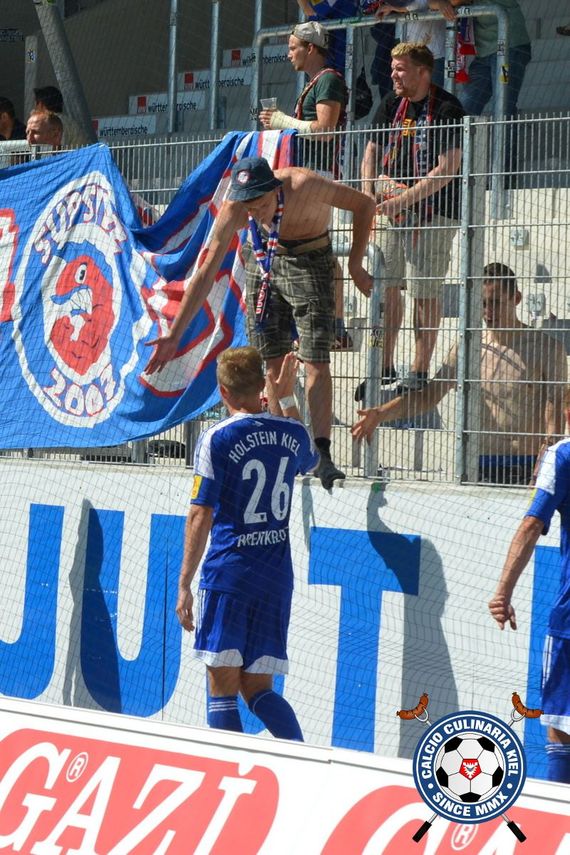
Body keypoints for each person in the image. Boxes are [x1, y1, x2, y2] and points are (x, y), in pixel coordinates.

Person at [145, 155, 375, 489]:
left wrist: (355, 263)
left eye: (262, 204)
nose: (256, 213)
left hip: (310, 258)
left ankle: (323, 454)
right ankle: (281, 446)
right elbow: (206, 272)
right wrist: (174, 334)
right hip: (264, 259)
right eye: (249, 208)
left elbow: (364, 204)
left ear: (275, 189)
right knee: (270, 363)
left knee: (314, 361)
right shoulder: (236, 210)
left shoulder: (303, 184)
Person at [176, 347, 319, 740]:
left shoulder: (216, 438)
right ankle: (301, 761)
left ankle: (228, 774)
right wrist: (286, 397)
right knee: (257, 688)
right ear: (262, 386)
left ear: (222, 392)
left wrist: (185, 583)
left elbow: (199, 515)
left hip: (230, 575)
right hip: (275, 579)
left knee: (222, 685)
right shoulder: (290, 432)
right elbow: (309, 461)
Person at [352, 263, 568, 485]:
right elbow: (428, 397)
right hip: (478, 465)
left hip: (528, 464)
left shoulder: (546, 349)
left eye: (495, 303)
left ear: (516, 298)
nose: (489, 312)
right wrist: (381, 413)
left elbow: (554, 420)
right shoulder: (468, 348)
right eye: (483, 304)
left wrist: (545, 469)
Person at [361, 42, 464, 392]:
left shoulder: (448, 107)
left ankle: (419, 372)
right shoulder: (390, 103)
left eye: (401, 68)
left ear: (423, 72)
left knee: (424, 292)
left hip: (434, 212)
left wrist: (403, 198)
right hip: (390, 210)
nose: (393, 75)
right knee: (384, 289)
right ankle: (383, 366)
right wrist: (368, 192)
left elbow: (448, 168)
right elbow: (371, 150)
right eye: (392, 67)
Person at [259, 20, 351, 348]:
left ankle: (335, 324)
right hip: (308, 175)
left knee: (319, 248)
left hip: (318, 176)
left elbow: (326, 128)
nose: (288, 55)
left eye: (293, 48)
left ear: (311, 49)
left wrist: (282, 121)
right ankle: (330, 324)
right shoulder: (316, 82)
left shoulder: (328, 81)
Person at [488, 433, 570, 783]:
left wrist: (502, 593)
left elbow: (532, 523)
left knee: (562, 728)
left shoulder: (563, 454)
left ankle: (557, 829)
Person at [429, 0, 531, 119]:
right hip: (484, 52)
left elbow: (455, 1)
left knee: (503, 107)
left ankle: (502, 138)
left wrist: (442, 3)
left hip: (509, 46)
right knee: (464, 109)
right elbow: (429, 3)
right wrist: (440, 3)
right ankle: (460, 137)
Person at [376, 1, 447, 87]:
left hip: (433, 54)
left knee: (433, 94)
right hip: (408, 54)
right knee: (407, 92)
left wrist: (392, 7)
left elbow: (423, 4)